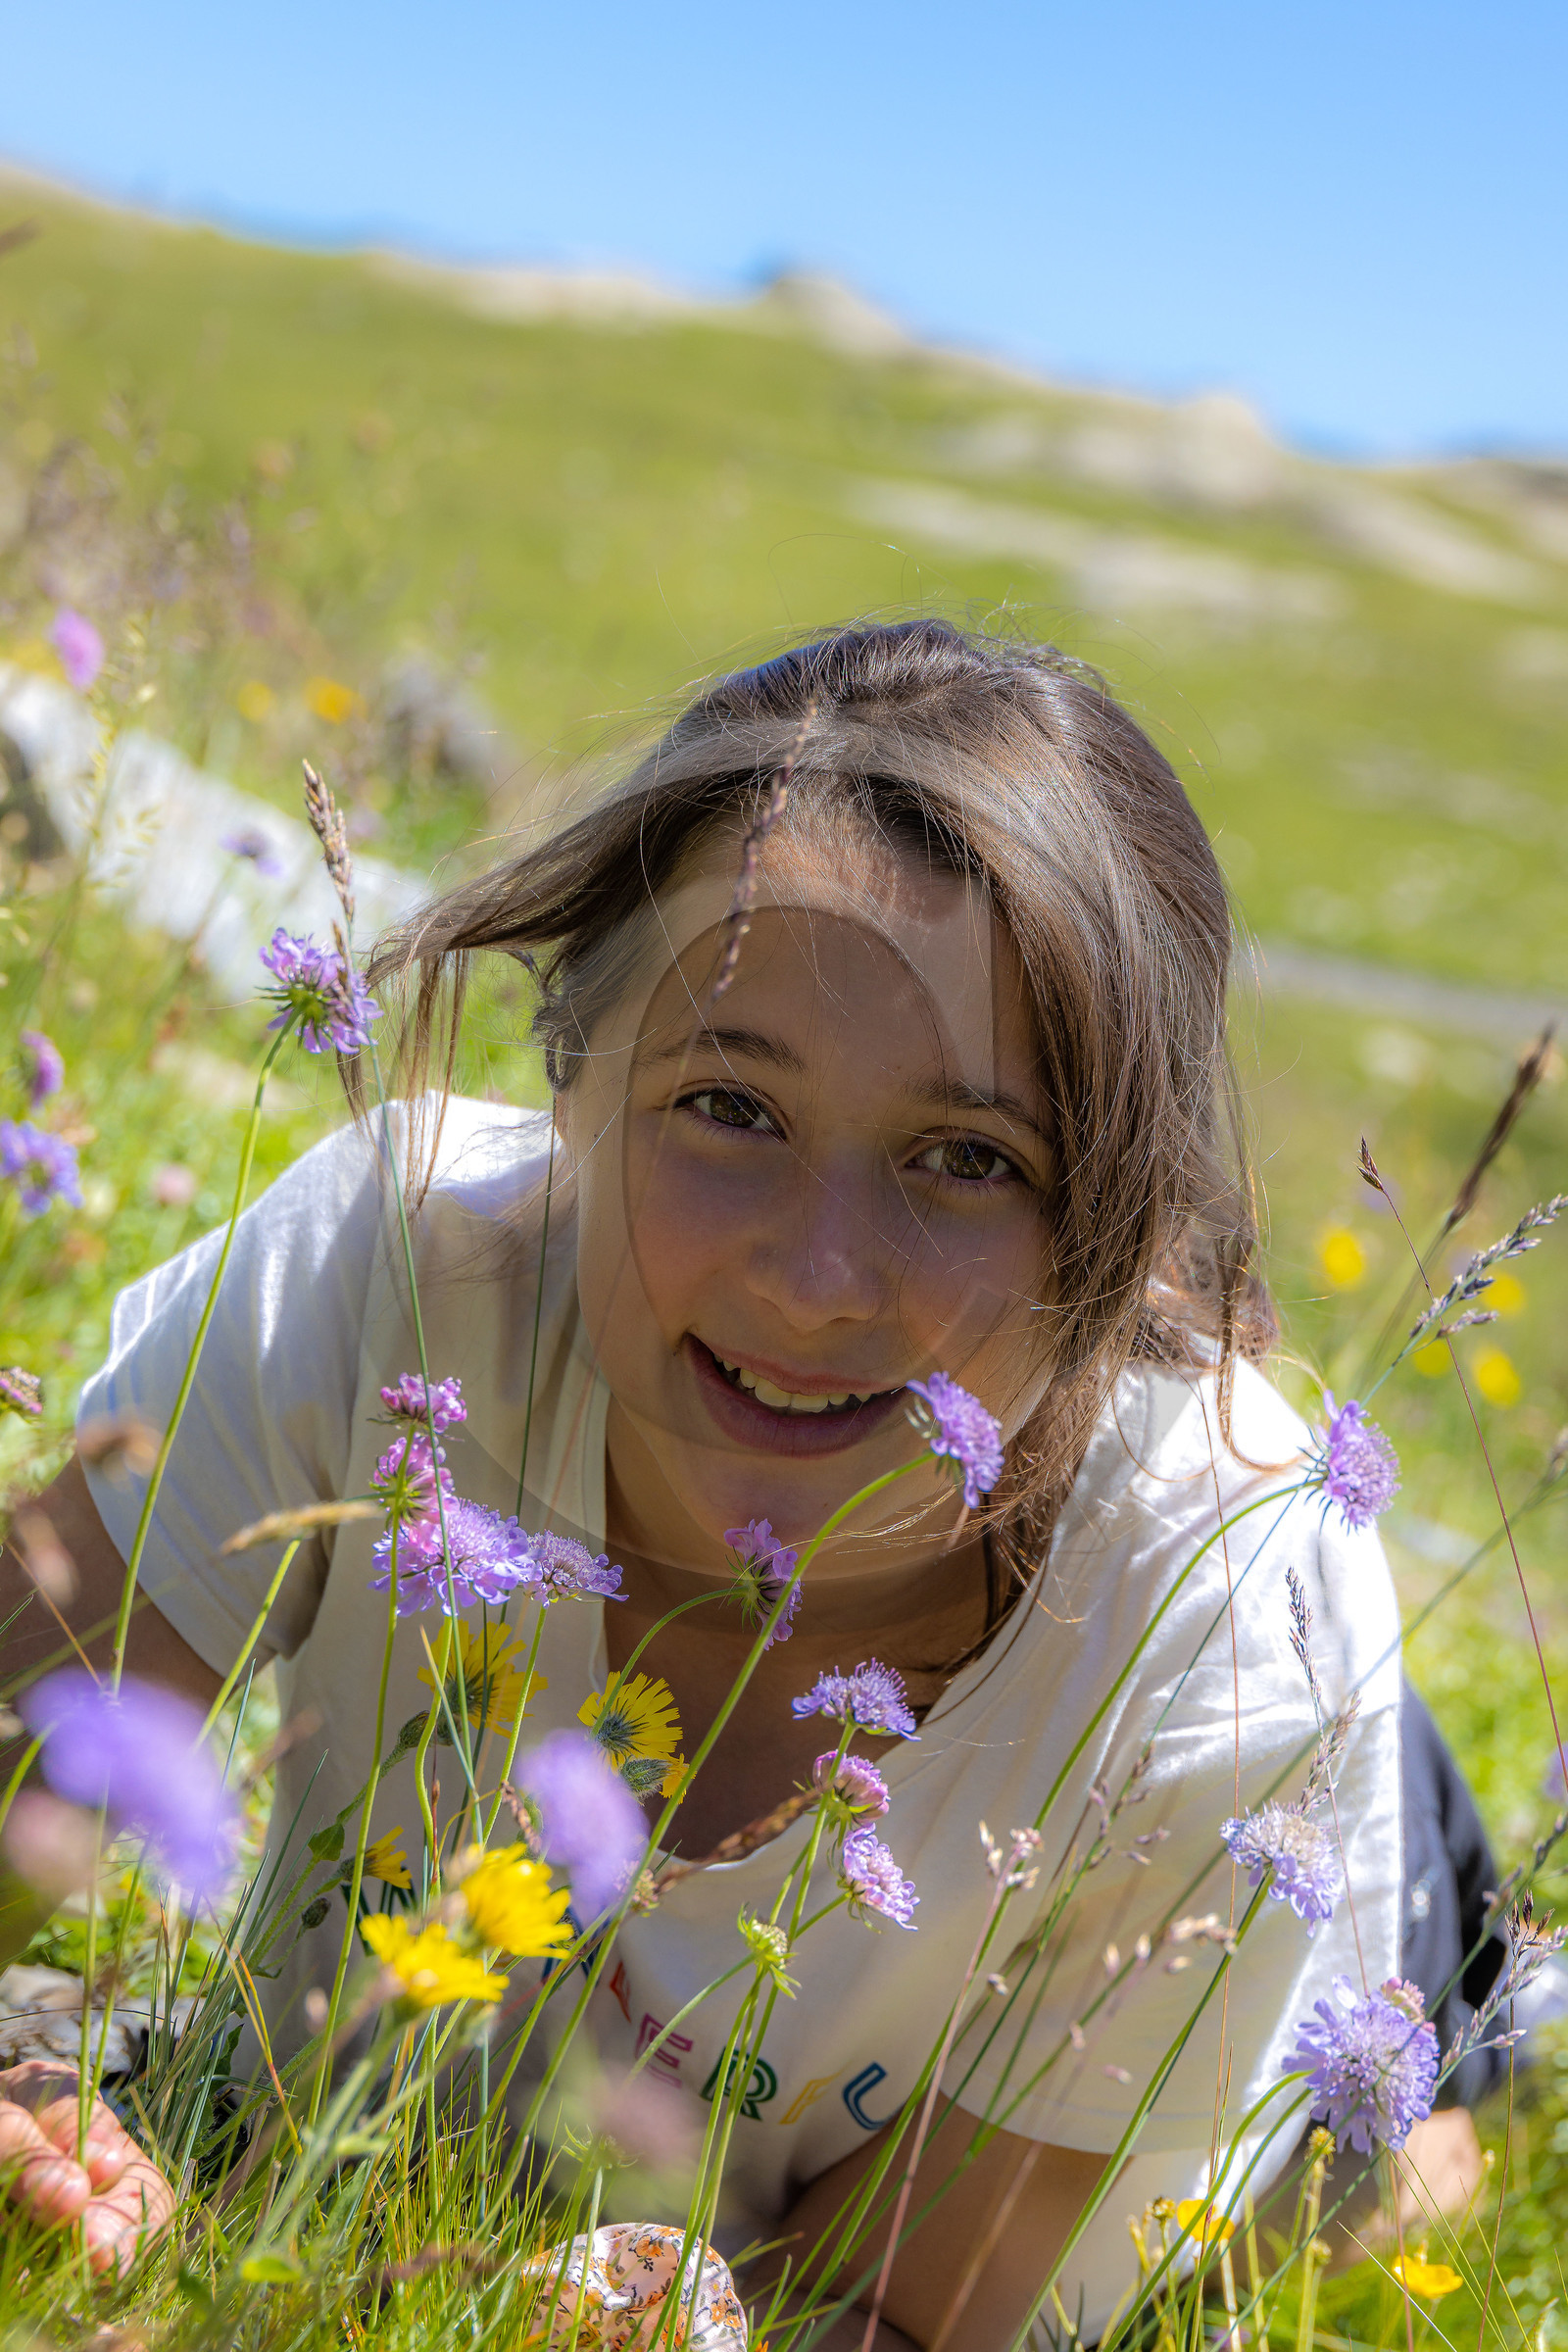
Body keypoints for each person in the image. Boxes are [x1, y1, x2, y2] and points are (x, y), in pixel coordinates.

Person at [0, 621, 1494, 2341]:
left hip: (1270, 1795)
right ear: (571, 1075)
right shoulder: (383, 1286)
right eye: (730, 1105)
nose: (817, 1279)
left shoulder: (1239, 1653)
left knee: (1390, 2177)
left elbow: (892, 2315)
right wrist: (38, 2114)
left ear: (1124, 1223)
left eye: (968, 1157)